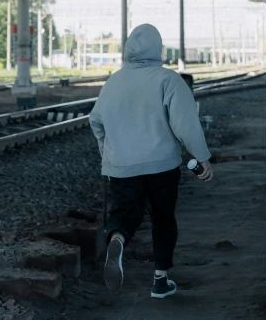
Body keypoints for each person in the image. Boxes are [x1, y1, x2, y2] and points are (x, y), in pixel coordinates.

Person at [89, 24, 213, 299]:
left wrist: (109, 155)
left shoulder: (113, 82)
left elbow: (96, 121)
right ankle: (160, 280)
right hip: (162, 165)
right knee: (162, 218)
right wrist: (201, 157)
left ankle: (118, 239)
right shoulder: (167, 79)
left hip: (121, 165)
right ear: (158, 49)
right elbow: (185, 124)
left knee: (124, 214)